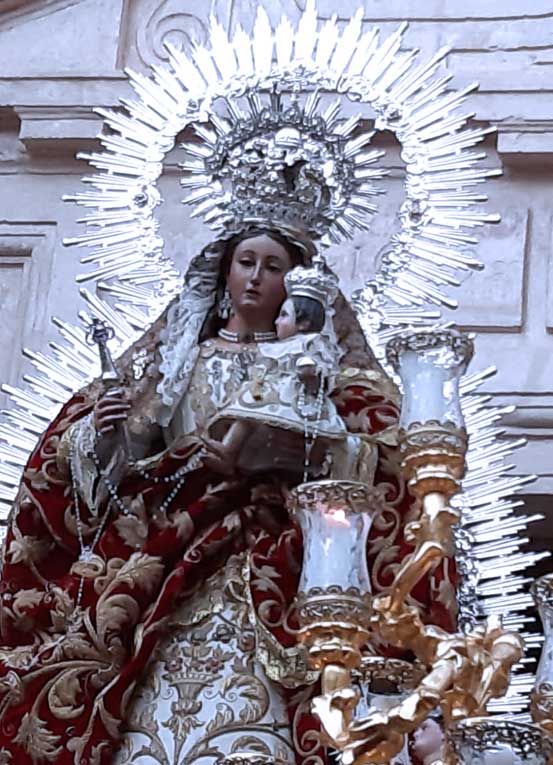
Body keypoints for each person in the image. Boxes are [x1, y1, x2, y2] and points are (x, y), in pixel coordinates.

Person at [0, 227, 456, 765]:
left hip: (279, 559)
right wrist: (101, 434)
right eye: (246, 262)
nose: (257, 277)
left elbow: (382, 455)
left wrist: (303, 454)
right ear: (224, 271)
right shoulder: (179, 361)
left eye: (273, 266)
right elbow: (122, 468)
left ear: (294, 285)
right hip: (176, 552)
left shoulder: (318, 366)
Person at [203, 264, 356, 479]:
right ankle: (229, 451)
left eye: (283, 315)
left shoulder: (312, 343)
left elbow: (322, 369)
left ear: (304, 323)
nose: (277, 322)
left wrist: (310, 373)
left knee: (254, 415)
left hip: (294, 399)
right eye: (246, 263)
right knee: (245, 414)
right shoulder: (277, 347)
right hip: (266, 395)